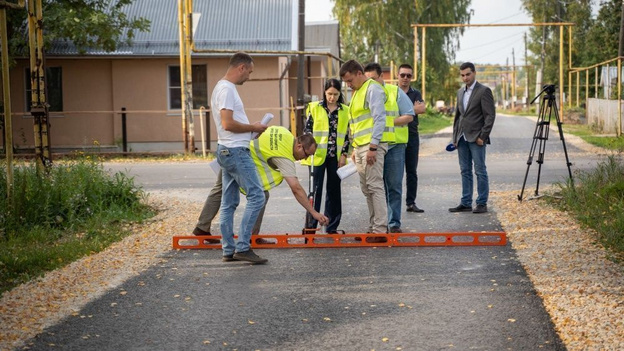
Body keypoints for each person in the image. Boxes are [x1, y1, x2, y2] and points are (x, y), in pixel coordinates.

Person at [212, 52, 268, 264]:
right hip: (235, 151)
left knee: (229, 203)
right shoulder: (227, 89)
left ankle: (228, 249)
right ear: (241, 67)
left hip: (226, 149)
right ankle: (243, 247)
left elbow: (229, 125)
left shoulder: (220, 87)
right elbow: (228, 124)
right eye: (250, 72)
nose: (249, 77)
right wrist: (253, 127)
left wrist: (250, 131)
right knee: (257, 196)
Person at [339, 59, 394, 235]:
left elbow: (379, 119)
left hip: (372, 146)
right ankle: (373, 227)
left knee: (374, 185)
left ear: (359, 73)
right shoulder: (357, 92)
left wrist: (373, 147)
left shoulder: (372, 89)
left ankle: (380, 230)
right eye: (346, 82)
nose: (348, 85)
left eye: (350, 80)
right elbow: (356, 124)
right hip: (361, 147)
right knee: (366, 188)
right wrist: (355, 149)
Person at [248, 126, 329, 232]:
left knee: (222, 192)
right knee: (259, 196)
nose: (305, 158)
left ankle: (250, 236)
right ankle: (248, 238)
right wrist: (314, 213)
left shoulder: (285, 132)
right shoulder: (284, 156)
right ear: (299, 146)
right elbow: (296, 188)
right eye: (307, 155)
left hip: (240, 152)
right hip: (242, 160)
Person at [363, 63, 414, 233]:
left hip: (394, 145)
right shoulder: (364, 93)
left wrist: (385, 122)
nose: (370, 83)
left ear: (381, 77)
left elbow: (409, 115)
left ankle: (393, 224)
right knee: (376, 187)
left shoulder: (394, 92)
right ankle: (379, 224)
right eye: (367, 79)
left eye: (373, 79)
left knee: (393, 186)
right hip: (374, 146)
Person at [302, 79, 350, 234]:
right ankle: (310, 228)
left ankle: (332, 227)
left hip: (335, 157)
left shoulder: (345, 110)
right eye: (329, 94)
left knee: (334, 192)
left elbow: (347, 135)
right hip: (317, 157)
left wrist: (343, 154)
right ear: (324, 92)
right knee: (315, 192)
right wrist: (309, 150)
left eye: (336, 94)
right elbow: (307, 132)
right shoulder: (314, 108)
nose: (332, 97)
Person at [449, 62, 496, 214]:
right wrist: (455, 137)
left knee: (480, 170)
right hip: (462, 138)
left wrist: (483, 136)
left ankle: (482, 203)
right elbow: (458, 117)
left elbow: (490, 116)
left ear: (474, 73)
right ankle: (466, 202)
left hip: (477, 138)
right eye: (462, 75)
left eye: (468, 74)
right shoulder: (460, 92)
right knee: (465, 171)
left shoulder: (484, 91)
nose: (465, 77)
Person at [397, 64, 427, 213]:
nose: (405, 78)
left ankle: (411, 202)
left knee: (412, 171)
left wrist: (402, 111)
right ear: (398, 76)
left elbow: (422, 108)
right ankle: (391, 203)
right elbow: (391, 112)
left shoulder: (415, 93)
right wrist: (412, 109)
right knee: (394, 172)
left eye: (408, 75)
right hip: (395, 136)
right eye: (403, 75)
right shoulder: (392, 92)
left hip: (412, 136)